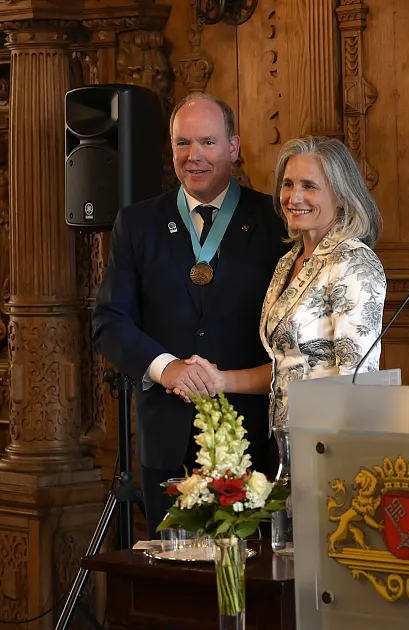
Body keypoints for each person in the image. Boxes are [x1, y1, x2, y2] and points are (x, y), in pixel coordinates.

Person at [92, 92, 289, 539]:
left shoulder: (276, 221)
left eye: (207, 142)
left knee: (249, 590)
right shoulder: (137, 223)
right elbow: (109, 321)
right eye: (183, 144)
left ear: (234, 148)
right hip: (167, 440)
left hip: (254, 437)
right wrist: (169, 369)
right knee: (176, 591)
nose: (193, 156)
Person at [179, 136, 386, 429]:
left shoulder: (353, 262)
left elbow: (359, 378)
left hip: (327, 444)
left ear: (340, 196)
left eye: (309, 186)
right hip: (283, 443)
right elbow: (284, 367)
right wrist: (218, 380)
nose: (294, 197)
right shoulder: (289, 261)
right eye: (288, 184)